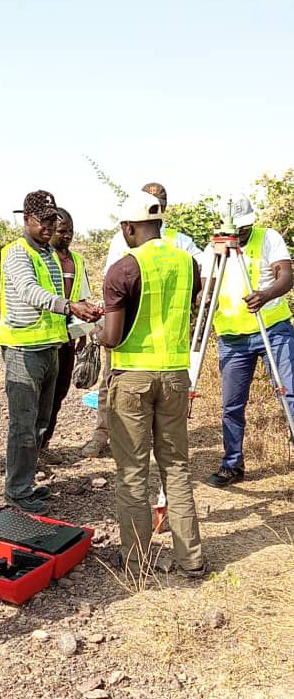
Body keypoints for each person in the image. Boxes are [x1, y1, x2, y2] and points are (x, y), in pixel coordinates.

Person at [97, 190, 205, 577]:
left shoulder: (123, 269)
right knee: (176, 469)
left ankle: (136, 562)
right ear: (159, 224)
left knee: (133, 473)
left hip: (133, 380)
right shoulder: (189, 263)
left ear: (128, 227)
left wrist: (96, 330)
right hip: (176, 377)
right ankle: (191, 559)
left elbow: (111, 336)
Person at [82, 181, 203, 458]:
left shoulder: (181, 242)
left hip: (143, 350)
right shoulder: (121, 243)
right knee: (175, 464)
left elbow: (201, 282)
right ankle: (101, 437)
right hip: (148, 347)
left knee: (132, 467)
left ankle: (137, 440)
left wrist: (97, 335)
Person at [0, 190, 101, 513]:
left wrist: (80, 312)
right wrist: (70, 306)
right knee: (23, 425)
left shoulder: (48, 254)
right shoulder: (17, 253)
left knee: (41, 421)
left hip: (51, 346)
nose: (49, 226)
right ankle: (16, 490)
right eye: (43, 220)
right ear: (26, 220)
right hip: (23, 348)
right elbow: (30, 291)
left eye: (52, 220)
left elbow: (59, 294)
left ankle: (26, 484)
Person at [201, 194, 294, 487]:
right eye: (234, 229)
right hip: (232, 338)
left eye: (243, 228)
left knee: (290, 394)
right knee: (232, 405)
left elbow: (286, 275)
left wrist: (266, 294)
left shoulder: (268, 238)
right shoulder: (213, 249)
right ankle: (232, 465)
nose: (238, 235)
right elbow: (207, 290)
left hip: (272, 329)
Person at [40, 207, 94, 462]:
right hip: (41, 338)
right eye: (62, 231)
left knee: (59, 392)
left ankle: (44, 445)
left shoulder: (77, 260)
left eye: (70, 231)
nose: (67, 236)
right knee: (41, 396)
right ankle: (32, 450)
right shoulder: (40, 259)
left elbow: (81, 297)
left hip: (67, 336)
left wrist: (84, 332)